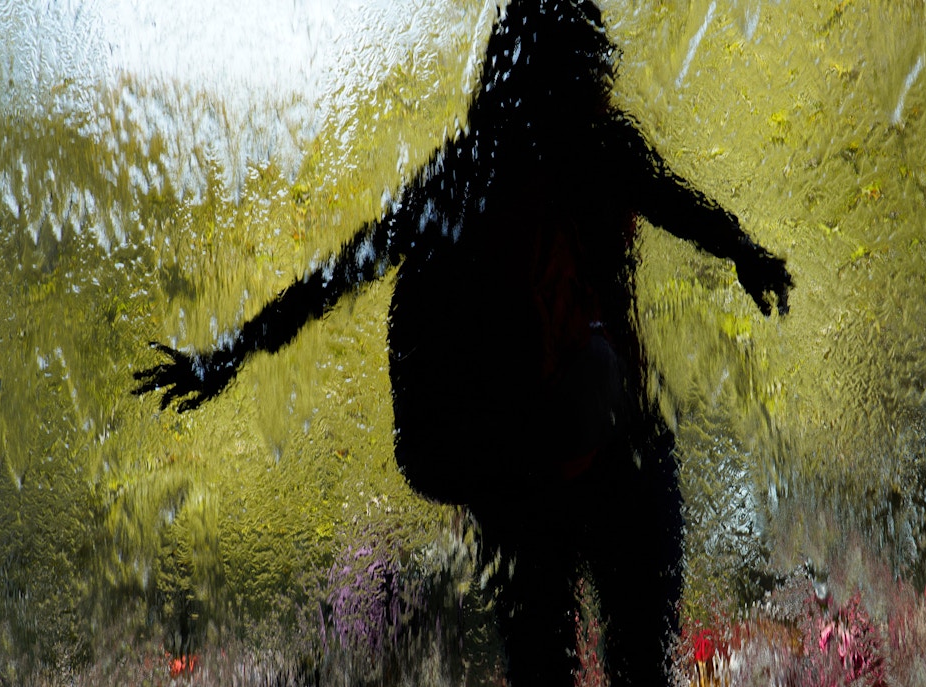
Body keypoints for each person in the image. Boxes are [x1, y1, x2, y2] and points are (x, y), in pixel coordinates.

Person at [134, 0, 793, 683]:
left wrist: (232, 354)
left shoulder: (469, 171)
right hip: (608, 454)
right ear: (583, 69)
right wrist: (745, 251)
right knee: (636, 669)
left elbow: (343, 270)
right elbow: (681, 205)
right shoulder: (591, 148)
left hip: (520, 471)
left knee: (552, 669)